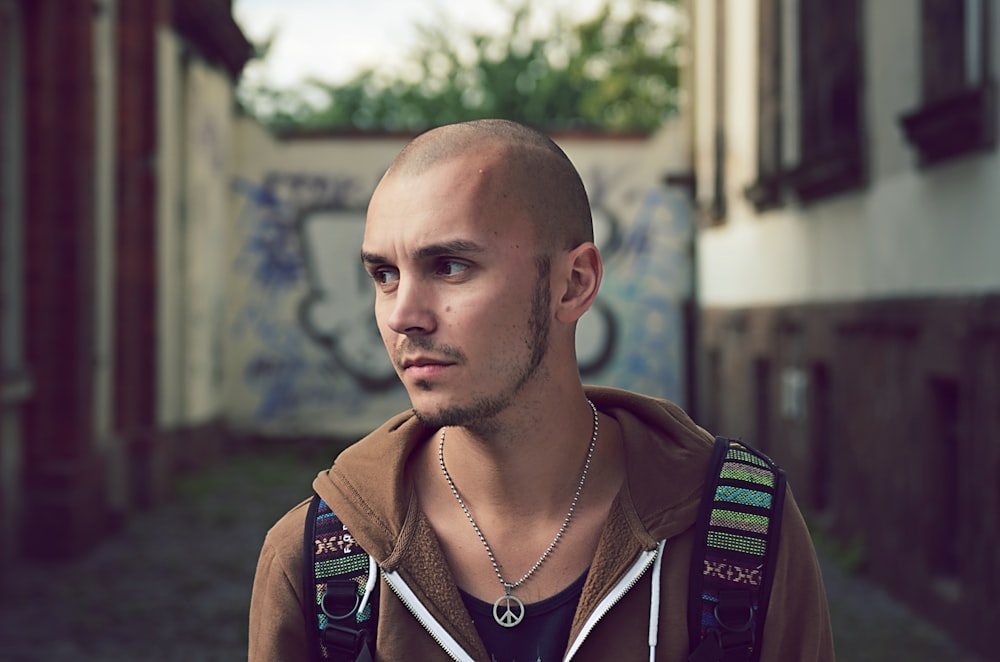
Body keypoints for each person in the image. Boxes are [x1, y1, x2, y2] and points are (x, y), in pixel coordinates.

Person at [248, 119, 834, 661]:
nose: (404, 314)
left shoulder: (740, 537)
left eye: (450, 266)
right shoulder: (320, 563)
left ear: (573, 284)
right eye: (384, 275)